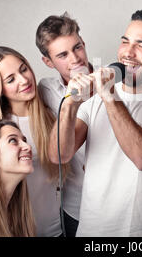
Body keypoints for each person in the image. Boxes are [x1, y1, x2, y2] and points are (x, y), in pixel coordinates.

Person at [50, 10, 142, 236]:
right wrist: (69, 105)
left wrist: (108, 95)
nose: (128, 52)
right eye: (125, 41)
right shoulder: (95, 96)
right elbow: (60, 155)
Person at [0, 46, 68, 237]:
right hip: (19, 230)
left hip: (58, 228)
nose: (24, 80)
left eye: (23, 69)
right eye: (10, 79)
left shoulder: (51, 112)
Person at [35, 13, 91, 237]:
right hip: (74, 208)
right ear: (48, 62)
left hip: (115, 207)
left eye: (77, 47)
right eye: (63, 55)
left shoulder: (112, 79)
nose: (75, 59)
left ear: (84, 44)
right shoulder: (45, 90)